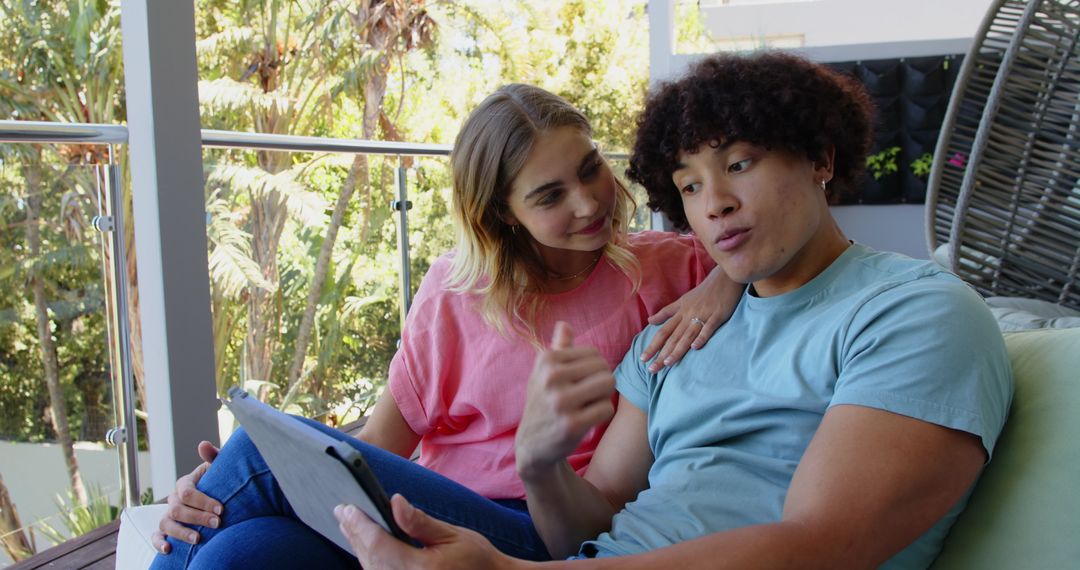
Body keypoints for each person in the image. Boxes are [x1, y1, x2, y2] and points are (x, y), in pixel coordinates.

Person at [334, 51, 1015, 569]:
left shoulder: (914, 313)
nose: (714, 204)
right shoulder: (671, 338)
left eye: (739, 165)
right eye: (688, 186)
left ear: (820, 158)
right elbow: (593, 523)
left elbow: (821, 545)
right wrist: (540, 465)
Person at [149, 84, 745, 568]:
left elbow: (771, 253)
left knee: (253, 452)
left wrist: (725, 280)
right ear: (502, 213)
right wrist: (227, 486)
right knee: (232, 553)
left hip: (546, 528)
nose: (589, 203)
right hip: (427, 516)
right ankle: (198, 512)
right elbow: (377, 447)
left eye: (591, 169)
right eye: (549, 196)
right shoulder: (456, 293)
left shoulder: (678, 269)